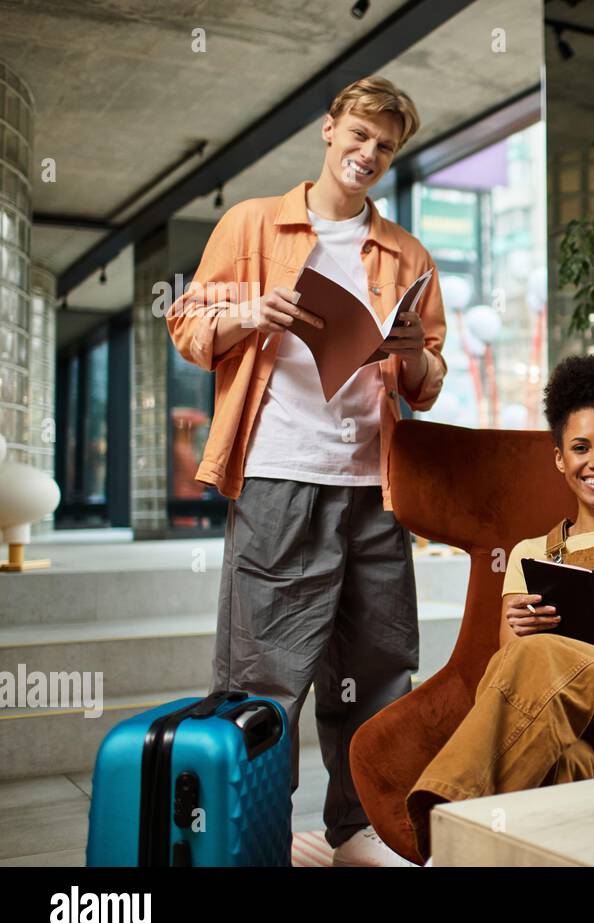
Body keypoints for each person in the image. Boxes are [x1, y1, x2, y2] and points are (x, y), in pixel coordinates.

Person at [165, 76, 447, 867]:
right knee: (268, 673)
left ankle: (358, 828)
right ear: (329, 130)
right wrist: (249, 313)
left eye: (385, 148)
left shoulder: (405, 253)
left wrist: (415, 356)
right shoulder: (255, 224)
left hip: (375, 485)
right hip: (281, 475)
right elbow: (187, 324)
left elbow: (430, 381)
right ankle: (256, 833)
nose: (369, 155)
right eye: (359, 136)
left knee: (378, 666)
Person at [405, 354, 594, 862]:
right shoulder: (529, 554)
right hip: (572, 721)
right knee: (569, 761)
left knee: (542, 656)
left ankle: (445, 825)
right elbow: (505, 674)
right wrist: (518, 628)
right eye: (580, 447)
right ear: (559, 460)